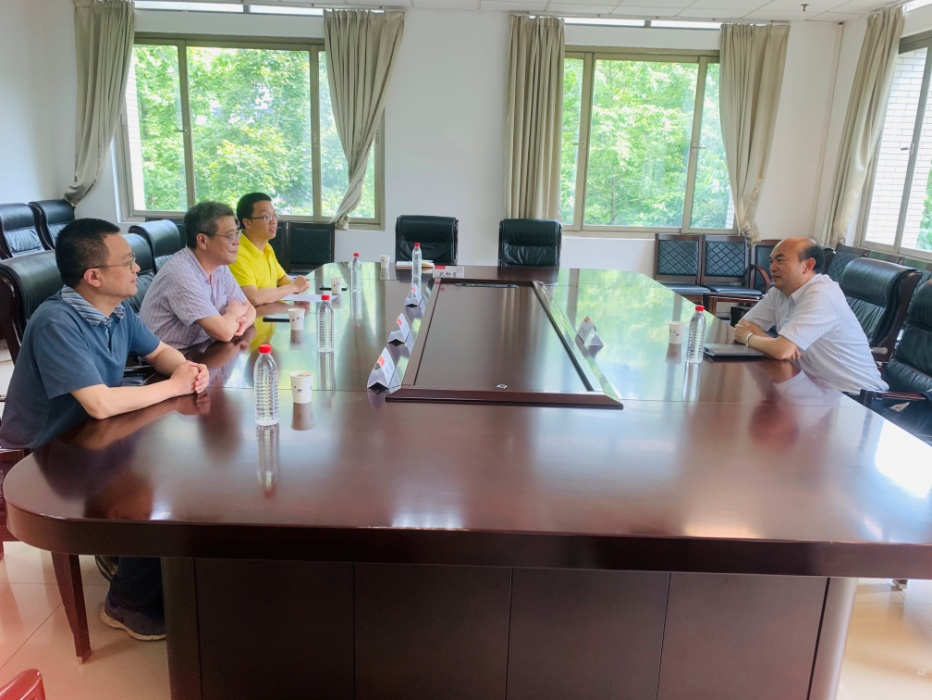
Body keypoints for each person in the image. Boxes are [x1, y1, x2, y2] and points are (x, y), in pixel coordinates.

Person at [0, 217, 210, 641]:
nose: (138, 269)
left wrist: (186, 368)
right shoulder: (57, 322)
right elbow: (99, 404)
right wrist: (173, 387)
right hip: (42, 454)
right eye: (127, 262)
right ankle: (127, 603)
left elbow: (159, 351)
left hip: (89, 435)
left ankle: (125, 555)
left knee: (185, 462)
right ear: (93, 276)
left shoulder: (117, 311)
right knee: (157, 488)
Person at [733, 236, 887, 394]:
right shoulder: (779, 291)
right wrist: (775, 345)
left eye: (780, 261)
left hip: (854, 397)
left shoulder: (822, 294)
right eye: (771, 261)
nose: (772, 267)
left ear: (808, 265)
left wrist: (750, 338)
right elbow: (744, 325)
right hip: (812, 388)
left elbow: (779, 350)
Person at [140, 201, 257, 349]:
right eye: (230, 236)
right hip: (168, 358)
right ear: (202, 240)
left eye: (236, 234)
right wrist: (233, 315)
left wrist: (241, 324)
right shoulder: (181, 273)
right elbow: (225, 333)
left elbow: (249, 308)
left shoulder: (219, 265)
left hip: (203, 349)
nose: (237, 241)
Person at [229, 192, 311, 305]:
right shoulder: (236, 254)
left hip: (271, 311)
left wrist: (299, 284)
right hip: (253, 315)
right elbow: (253, 297)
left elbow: (281, 278)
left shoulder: (266, 246)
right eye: (266, 217)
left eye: (274, 215)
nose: (273, 221)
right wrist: (294, 287)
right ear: (247, 223)